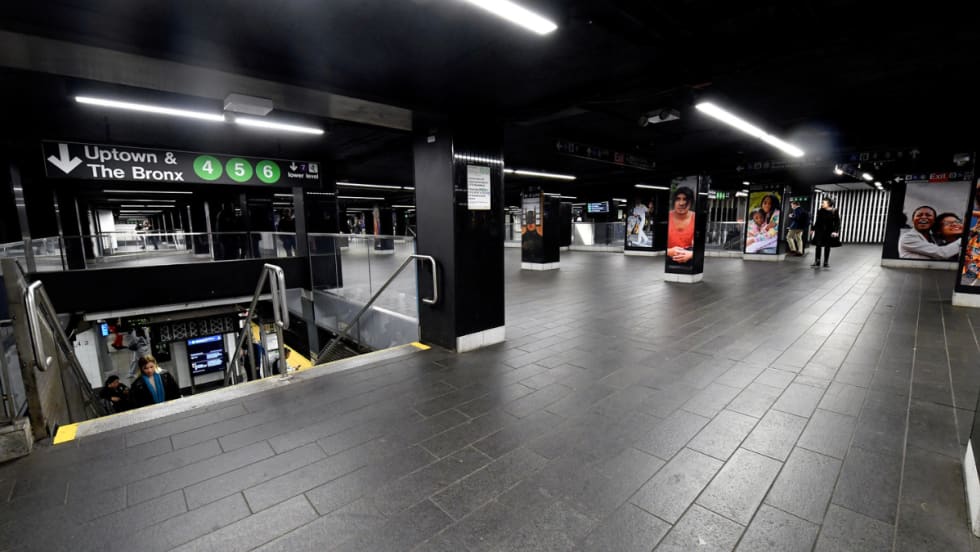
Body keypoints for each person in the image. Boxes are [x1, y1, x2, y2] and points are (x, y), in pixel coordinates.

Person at [666, 186, 695, 264]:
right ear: (673, 201)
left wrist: (691, 254)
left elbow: (701, 248)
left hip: (690, 262)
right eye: (678, 199)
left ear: (691, 202)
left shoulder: (696, 219)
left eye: (685, 199)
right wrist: (669, 251)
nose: (681, 203)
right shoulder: (665, 217)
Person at [810, 197, 841, 267]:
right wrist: (813, 229)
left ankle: (826, 262)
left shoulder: (834, 211)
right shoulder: (820, 210)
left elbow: (837, 222)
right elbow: (818, 221)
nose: (822, 204)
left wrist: (836, 231)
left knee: (827, 246)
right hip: (819, 230)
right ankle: (817, 261)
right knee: (818, 246)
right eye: (822, 203)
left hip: (829, 231)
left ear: (829, 204)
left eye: (823, 203)